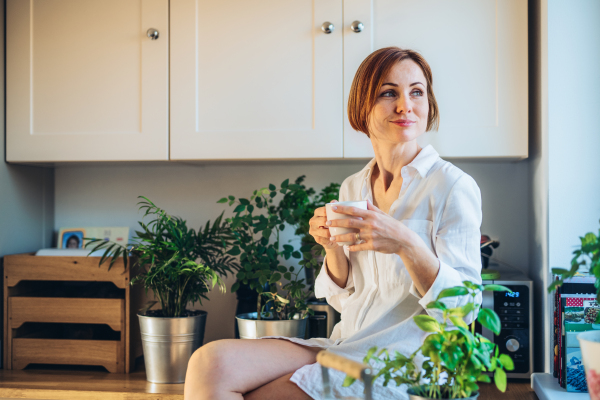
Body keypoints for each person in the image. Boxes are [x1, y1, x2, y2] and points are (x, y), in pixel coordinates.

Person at [184, 47, 483, 400]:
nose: (405, 105)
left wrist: (405, 242)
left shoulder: (452, 187)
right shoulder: (353, 187)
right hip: (347, 343)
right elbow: (345, 299)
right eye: (389, 93)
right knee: (209, 364)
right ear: (362, 106)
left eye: (417, 92)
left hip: (405, 361)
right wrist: (331, 248)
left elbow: (462, 310)